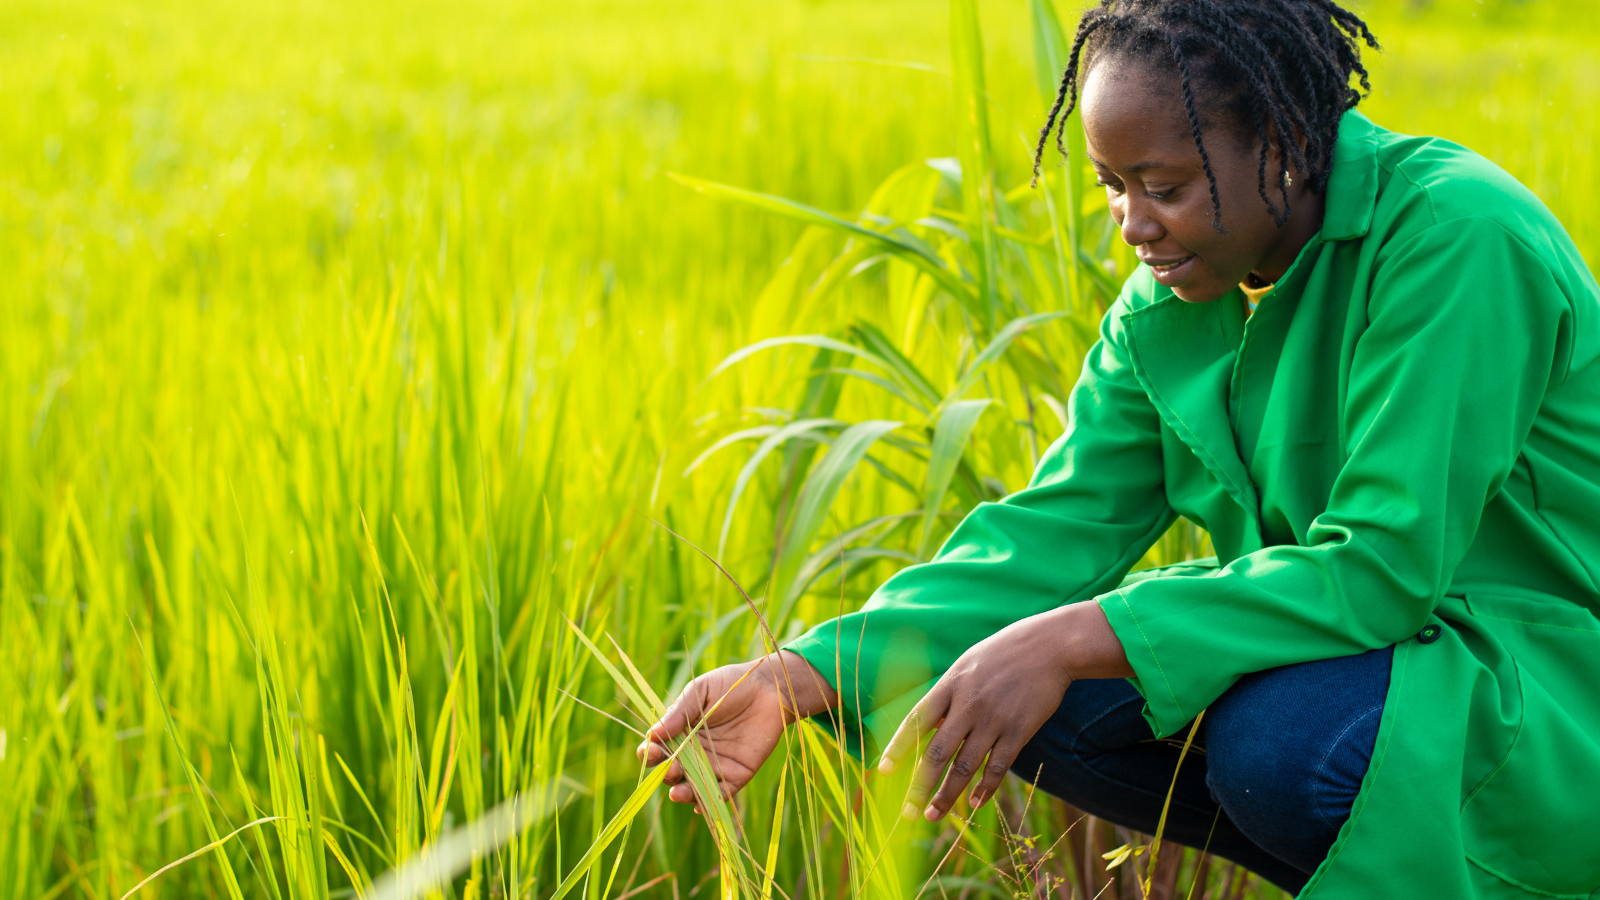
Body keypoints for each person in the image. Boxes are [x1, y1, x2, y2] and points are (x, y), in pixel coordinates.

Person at [641, 0, 1600, 896]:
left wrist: (1072, 636)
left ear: (1289, 144)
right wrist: (800, 673)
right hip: (1385, 664)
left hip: (1545, 688)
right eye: (1110, 186)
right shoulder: (1170, 311)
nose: (1134, 227)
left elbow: (1386, 566)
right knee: (1000, 682)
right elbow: (1051, 530)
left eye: (1166, 188)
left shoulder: (1455, 236)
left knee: (1271, 739)